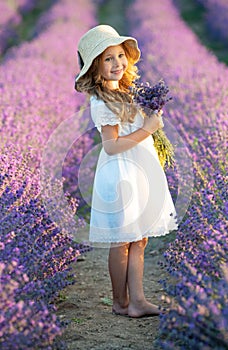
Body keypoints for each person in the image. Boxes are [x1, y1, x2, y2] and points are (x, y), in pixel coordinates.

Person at [75, 24, 177, 318]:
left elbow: (139, 128)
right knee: (122, 241)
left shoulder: (127, 92)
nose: (117, 63)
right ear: (96, 67)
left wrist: (152, 123)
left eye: (120, 55)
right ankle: (120, 302)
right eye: (108, 59)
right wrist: (147, 129)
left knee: (139, 237)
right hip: (121, 174)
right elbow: (111, 147)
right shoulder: (102, 102)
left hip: (140, 170)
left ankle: (139, 300)